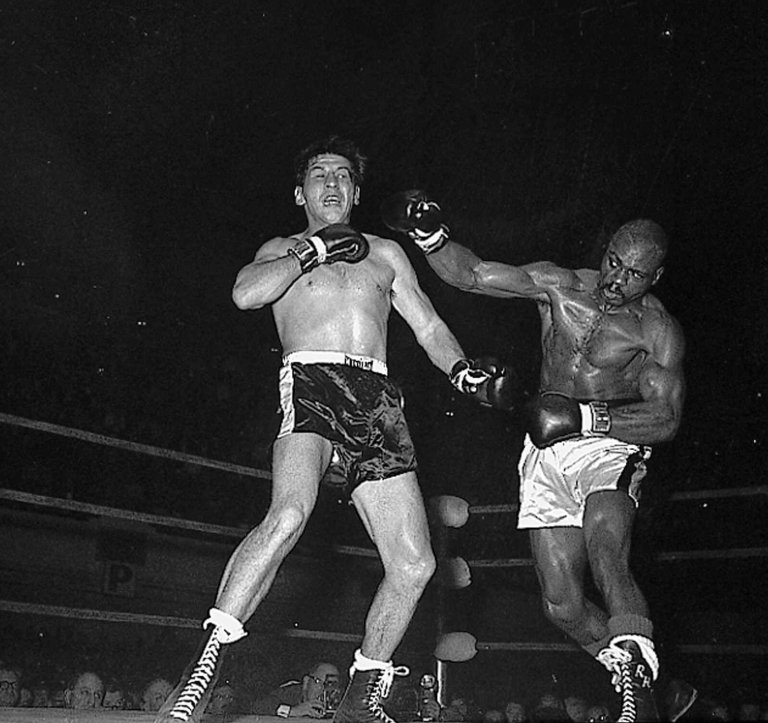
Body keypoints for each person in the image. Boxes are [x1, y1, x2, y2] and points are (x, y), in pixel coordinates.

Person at [155, 137, 505, 723]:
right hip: (312, 382)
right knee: (290, 513)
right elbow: (245, 293)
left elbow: (429, 326)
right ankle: (202, 673)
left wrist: (463, 374)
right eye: (320, 175)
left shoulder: (387, 254)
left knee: (415, 563)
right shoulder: (281, 248)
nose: (333, 184)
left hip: (376, 397)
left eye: (344, 176)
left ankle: (361, 698)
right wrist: (311, 252)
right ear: (301, 193)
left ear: (358, 192)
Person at [382, 191, 689, 723]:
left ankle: (637, 702)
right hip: (546, 451)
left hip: (609, 444)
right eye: (613, 263)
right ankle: (654, 692)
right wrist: (429, 234)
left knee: (605, 550)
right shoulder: (559, 286)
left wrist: (586, 418)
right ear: (606, 250)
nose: (616, 281)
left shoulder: (657, 330)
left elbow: (665, 419)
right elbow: (472, 273)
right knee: (562, 606)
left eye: (634, 275)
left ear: (655, 279)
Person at [250, 661, 341, 719]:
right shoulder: (293, 692)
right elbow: (258, 705)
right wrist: (292, 711)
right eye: (318, 682)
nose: (323, 688)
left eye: (331, 684)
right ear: (306, 682)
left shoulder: (342, 699)